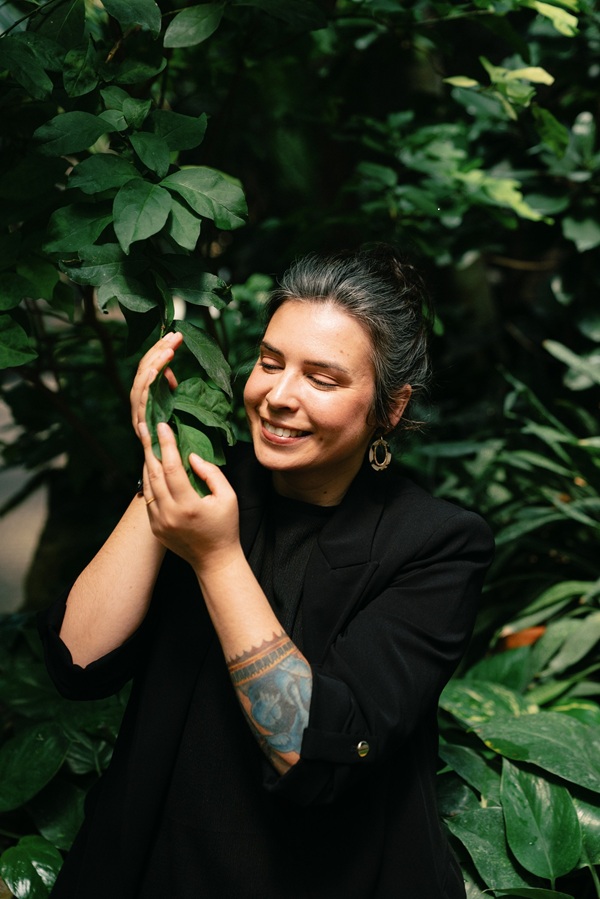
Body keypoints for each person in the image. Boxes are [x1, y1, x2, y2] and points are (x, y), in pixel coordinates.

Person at [39, 245, 494, 898]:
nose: (278, 397)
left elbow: (310, 753)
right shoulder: (210, 487)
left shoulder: (437, 544)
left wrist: (217, 558)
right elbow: (76, 663)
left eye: (322, 379)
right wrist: (166, 454)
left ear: (391, 408)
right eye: (270, 362)